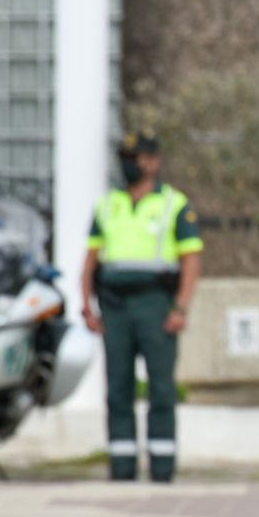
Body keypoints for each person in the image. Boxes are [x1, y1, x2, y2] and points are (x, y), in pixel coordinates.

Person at [80, 131, 201, 483]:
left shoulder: (174, 204)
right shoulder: (108, 204)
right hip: (114, 306)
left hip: (156, 304)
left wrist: (181, 307)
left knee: (161, 388)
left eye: (137, 158)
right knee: (118, 388)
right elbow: (90, 260)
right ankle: (122, 466)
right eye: (126, 158)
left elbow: (191, 260)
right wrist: (87, 306)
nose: (130, 165)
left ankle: (162, 468)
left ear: (154, 162)